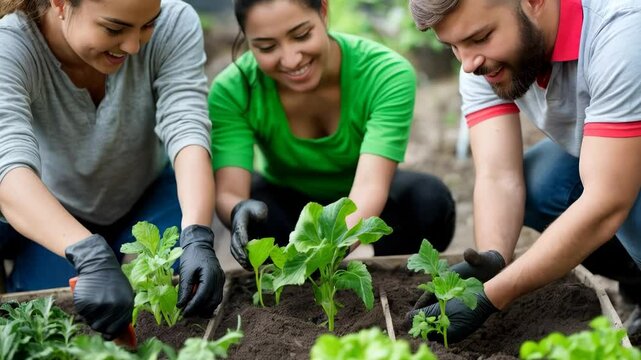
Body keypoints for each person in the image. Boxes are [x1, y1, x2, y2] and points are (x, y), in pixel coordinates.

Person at [406, 0, 641, 343]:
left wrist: (494, 296)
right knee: (541, 184)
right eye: (453, 46)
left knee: (617, 198)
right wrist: (492, 262)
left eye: (481, 37)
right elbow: (498, 176)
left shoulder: (621, 32)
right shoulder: (480, 62)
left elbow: (606, 202)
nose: (468, 63)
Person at [0, 0, 224, 339]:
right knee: (50, 321)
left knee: (186, 285)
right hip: (58, 206)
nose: (134, 46)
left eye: (148, 24)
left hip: (147, 193)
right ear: (60, 3)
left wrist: (197, 233)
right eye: (114, 28)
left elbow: (186, 126)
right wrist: (87, 254)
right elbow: (9, 165)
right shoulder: (11, 47)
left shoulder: (176, 22)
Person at [209, 0, 457, 270]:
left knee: (430, 202)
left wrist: (327, 249)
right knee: (254, 213)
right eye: (267, 47)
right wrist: (237, 211)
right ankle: (358, 258)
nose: (291, 59)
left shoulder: (386, 73)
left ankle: (349, 256)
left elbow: (370, 187)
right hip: (287, 207)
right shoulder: (232, 90)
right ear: (246, 39)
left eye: (302, 35)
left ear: (324, 12)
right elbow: (230, 191)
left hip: (362, 201)